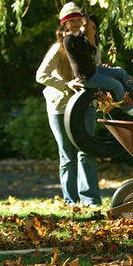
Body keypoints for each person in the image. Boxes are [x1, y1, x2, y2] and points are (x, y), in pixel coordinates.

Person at [59, 2, 133, 121]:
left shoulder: (79, 36)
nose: (76, 23)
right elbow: (88, 51)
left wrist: (87, 34)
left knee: (120, 72)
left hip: (94, 70)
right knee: (116, 85)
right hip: (87, 77)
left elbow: (92, 51)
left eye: (78, 20)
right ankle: (132, 111)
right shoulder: (70, 39)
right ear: (66, 24)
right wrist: (88, 34)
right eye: (72, 21)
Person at [35, 27, 101, 208]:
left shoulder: (93, 49)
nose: (78, 26)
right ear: (64, 28)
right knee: (67, 155)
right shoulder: (58, 49)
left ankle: (91, 200)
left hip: (85, 106)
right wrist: (66, 84)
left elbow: (96, 76)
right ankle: (70, 201)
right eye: (71, 21)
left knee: (87, 151)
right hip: (60, 106)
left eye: (81, 22)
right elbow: (41, 75)